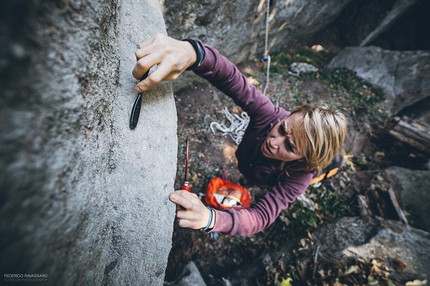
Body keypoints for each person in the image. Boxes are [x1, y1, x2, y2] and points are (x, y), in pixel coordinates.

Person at [132, 34, 347, 236]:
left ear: (302, 159)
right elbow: (233, 79)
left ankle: (332, 167)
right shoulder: (268, 115)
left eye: (289, 147)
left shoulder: (299, 176)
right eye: (282, 128)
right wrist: (193, 53)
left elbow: (261, 216)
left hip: (309, 167)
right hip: (256, 168)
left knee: (327, 168)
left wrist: (211, 218)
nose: (273, 141)